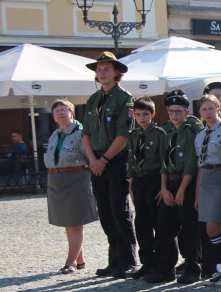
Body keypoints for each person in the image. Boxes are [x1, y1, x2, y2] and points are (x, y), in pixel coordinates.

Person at [82, 51, 137, 278]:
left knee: (119, 210)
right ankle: (113, 259)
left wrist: (104, 160)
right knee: (105, 212)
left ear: (117, 72)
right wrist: (93, 160)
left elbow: (124, 135)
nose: (102, 72)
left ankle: (128, 259)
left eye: (106, 69)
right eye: (99, 69)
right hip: (96, 161)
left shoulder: (126, 98)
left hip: (116, 161)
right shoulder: (93, 100)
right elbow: (85, 133)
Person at [145, 90, 203, 285]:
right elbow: (163, 161)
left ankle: (193, 267)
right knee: (164, 227)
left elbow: (191, 162)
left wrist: (181, 190)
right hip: (169, 182)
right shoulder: (167, 130)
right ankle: (165, 268)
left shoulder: (192, 129)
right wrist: (164, 188)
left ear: (186, 112)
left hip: (186, 182)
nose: (174, 115)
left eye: (178, 111)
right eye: (171, 111)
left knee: (189, 227)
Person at [44, 99, 97, 272]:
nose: (60, 113)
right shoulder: (55, 135)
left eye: (64, 109)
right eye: (56, 111)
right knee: (68, 222)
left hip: (75, 178)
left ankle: (70, 262)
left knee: (75, 222)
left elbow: (89, 157)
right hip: (56, 180)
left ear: (72, 113)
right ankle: (79, 260)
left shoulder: (81, 133)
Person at [195, 94, 221, 286]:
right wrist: (197, 193)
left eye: (211, 108)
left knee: (214, 227)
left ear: (218, 109)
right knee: (210, 229)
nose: (208, 112)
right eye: (204, 109)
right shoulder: (200, 135)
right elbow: (199, 164)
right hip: (206, 178)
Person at [126, 97, 165, 279]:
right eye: (138, 114)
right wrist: (131, 183)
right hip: (139, 180)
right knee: (141, 223)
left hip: (153, 178)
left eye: (146, 114)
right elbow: (131, 160)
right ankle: (146, 262)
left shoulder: (159, 134)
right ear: (133, 115)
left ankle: (160, 264)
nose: (142, 118)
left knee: (157, 221)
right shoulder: (134, 135)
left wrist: (162, 185)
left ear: (152, 115)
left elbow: (164, 161)